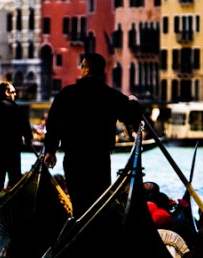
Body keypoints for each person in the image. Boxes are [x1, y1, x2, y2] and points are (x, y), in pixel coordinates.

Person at [42, 53, 141, 217]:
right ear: (102, 71)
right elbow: (131, 116)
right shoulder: (111, 95)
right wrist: (133, 102)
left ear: (85, 69)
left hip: (74, 157)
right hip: (99, 158)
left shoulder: (67, 94)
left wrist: (50, 151)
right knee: (99, 201)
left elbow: (53, 124)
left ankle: (80, 227)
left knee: (79, 202)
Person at [0, 82, 33, 202]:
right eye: (14, 92)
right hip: (14, 150)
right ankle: (15, 204)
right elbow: (26, 129)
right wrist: (29, 140)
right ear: (6, 92)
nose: (15, 95)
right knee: (15, 178)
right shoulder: (17, 110)